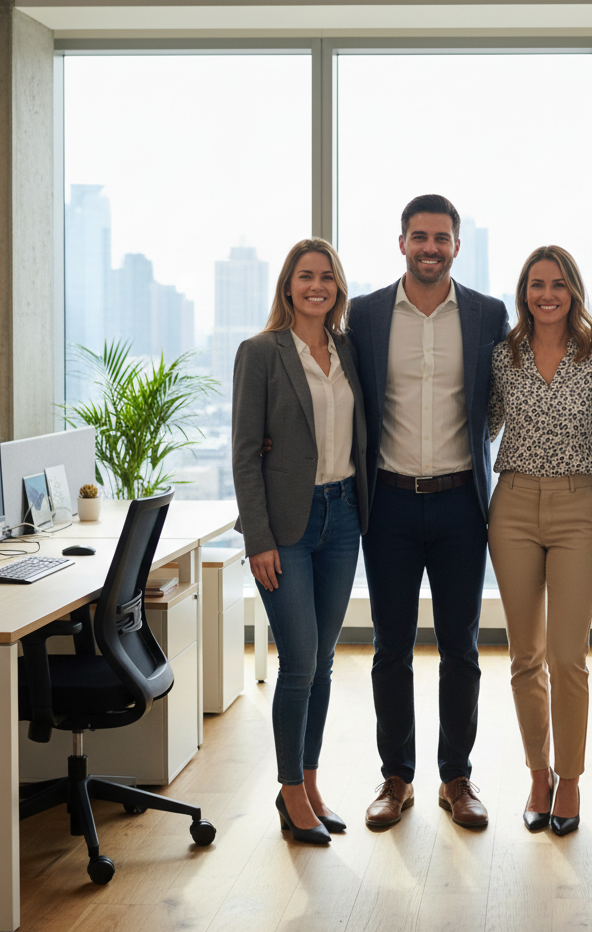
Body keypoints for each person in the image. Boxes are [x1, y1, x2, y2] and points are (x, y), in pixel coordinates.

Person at [348, 194, 509, 829]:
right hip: (387, 502)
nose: (430, 248)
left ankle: (456, 777)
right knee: (390, 647)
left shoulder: (487, 314)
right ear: (402, 243)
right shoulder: (364, 314)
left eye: (441, 238)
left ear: (457, 246)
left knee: (460, 649)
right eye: (420, 237)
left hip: (461, 504)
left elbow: (512, 390)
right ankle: (396, 777)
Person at [232, 237, 369, 845]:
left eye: (327, 277)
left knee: (325, 662)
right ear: (288, 285)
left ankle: (311, 784)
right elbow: (244, 454)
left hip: (342, 517)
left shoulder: (348, 350)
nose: (317, 286)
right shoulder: (260, 352)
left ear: (338, 288)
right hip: (285, 528)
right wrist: (258, 538)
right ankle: (289, 792)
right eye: (306, 276)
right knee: (300, 663)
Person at [486, 245, 592, 836]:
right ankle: (537, 775)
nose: (547, 295)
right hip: (512, 506)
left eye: (558, 284)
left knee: (568, 657)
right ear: (524, 293)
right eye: (537, 284)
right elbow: (481, 424)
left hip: (577, 510)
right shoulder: (503, 355)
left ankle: (570, 779)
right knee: (525, 655)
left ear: (573, 292)